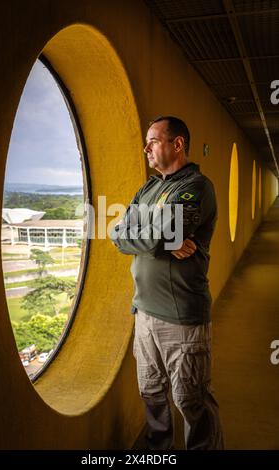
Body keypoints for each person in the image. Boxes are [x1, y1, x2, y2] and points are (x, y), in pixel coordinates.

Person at [110, 116, 224, 450]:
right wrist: (158, 238)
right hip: (144, 313)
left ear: (178, 144)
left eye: (154, 141)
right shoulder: (149, 188)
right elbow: (117, 233)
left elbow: (162, 234)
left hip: (181, 319)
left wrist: (158, 236)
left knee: (192, 402)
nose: (146, 148)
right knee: (152, 394)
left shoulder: (196, 187)